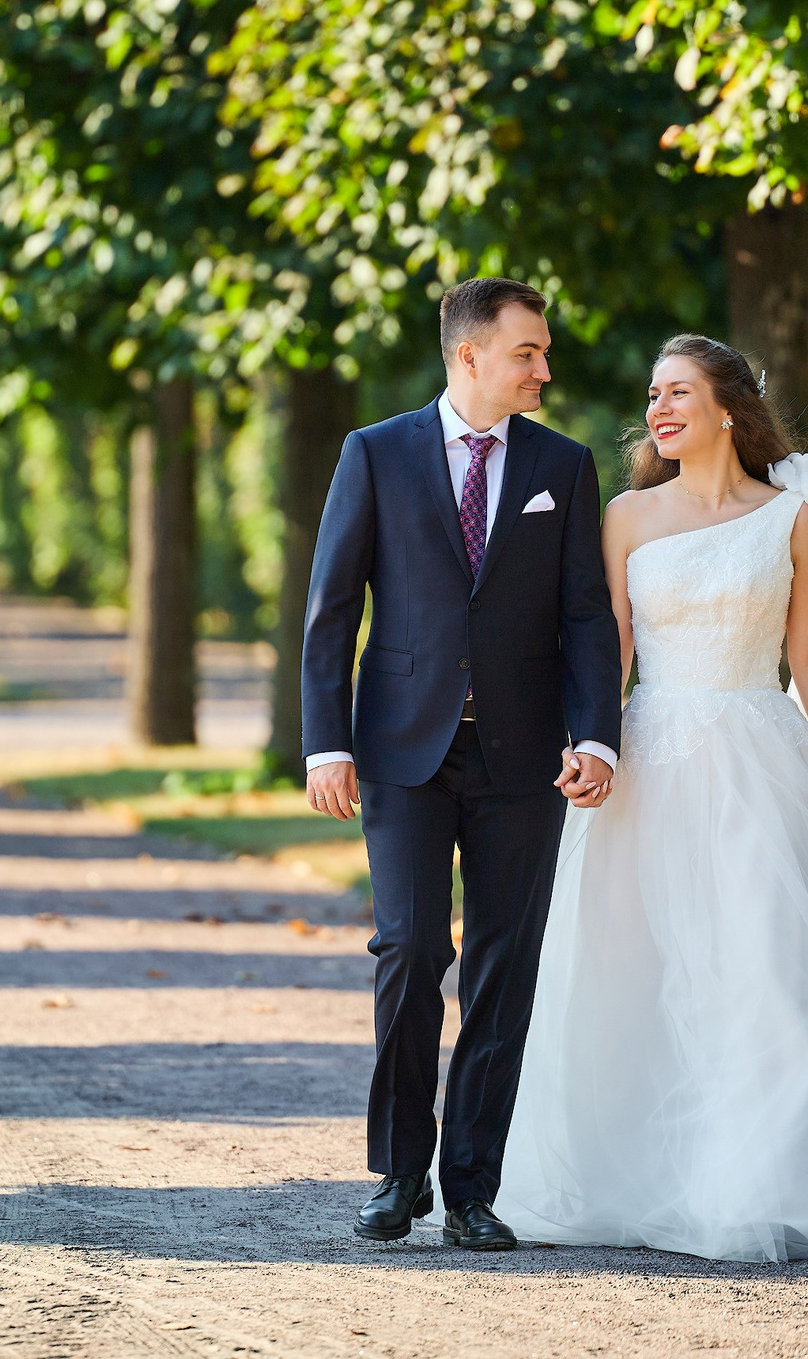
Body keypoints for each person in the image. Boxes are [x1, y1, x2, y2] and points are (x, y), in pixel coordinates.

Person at [492, 333, 808, 1263]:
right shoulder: (627, 515)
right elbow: (611, 650)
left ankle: (775, 1184)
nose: (659, 408)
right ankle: (648, 1178)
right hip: (651, 761)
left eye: (678, 391)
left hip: (762, 760)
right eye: (653, 393)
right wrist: (585, 746)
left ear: (727, 407)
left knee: (769, 967)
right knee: (643, 968)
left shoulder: (793, 514)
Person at [299, 277, 623, 1251]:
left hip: (523, 758)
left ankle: (473, 1187)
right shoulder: (376, 452)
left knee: (502, 965)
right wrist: (327, 739)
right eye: (528, 352)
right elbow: (331, 608)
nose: (545, 369)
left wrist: (595, 732)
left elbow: (583, 616)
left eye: (545, 351)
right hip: (400, 750)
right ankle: (400, 1174)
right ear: (469, 355)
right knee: (408, 951)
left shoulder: (561, 467)